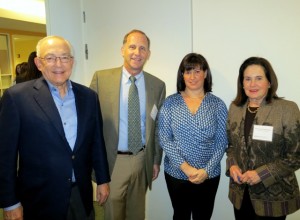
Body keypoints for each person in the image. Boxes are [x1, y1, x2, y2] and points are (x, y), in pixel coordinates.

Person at [0, 36, 110, 220]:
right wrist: (10, 201)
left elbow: (97, 143)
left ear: (72, 62)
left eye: (65, 57)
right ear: (38, 63)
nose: (58, 64)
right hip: (39, 199)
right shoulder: (16, 97)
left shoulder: (89, 96)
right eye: (50, 58)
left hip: (79, 192)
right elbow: (5, 155)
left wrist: (103, 180)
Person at [90, 29, 166, 220]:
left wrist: (156, 160)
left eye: (143, 48)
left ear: (148, 54)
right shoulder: (101, 79)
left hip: (142, 160)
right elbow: (91, 125)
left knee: (137, 214)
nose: (137, 53)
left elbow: (157, 128)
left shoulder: (157, 85)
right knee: (113, 215)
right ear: (122, 49)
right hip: (113, 163)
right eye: (132, 47)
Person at [226, 56, 300, 220]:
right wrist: (232, 166)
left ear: (269, 82)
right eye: (248, 79)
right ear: (242, 83)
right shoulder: (235, 108)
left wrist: (262, 174)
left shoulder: (287, 109)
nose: (252, 84)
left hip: (273, 197)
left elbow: (296, 156)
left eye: (259, 78)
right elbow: (230, 146)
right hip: (240, 194)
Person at [157, 53, 228, 220]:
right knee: (180, 215)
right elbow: (164, 138)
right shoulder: (170, 103)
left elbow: (222, 141)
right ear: (182, 74)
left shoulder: (217, 104)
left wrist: (206, 171)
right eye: (188, 71)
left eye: (197, 71)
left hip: (208, 175)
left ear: (205, 73)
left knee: (203, 216)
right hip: (177, 173)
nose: (192, 76)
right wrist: (186, 168)